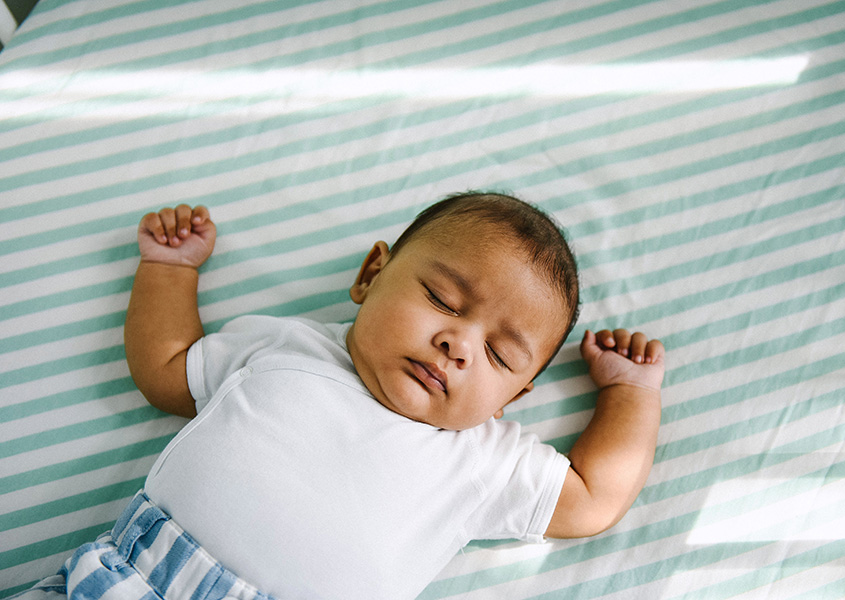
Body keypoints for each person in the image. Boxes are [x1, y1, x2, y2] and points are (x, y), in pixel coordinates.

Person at [19, 193, 664, 600]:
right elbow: (166, 370)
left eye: (497, 354)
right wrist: (169, 268)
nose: (458, 344)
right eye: (442, 299)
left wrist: (630, 394)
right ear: (371, 274)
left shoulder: (482, 459)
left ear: (513, 396)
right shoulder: (286, 349)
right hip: (130, 580)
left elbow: (593, 499)